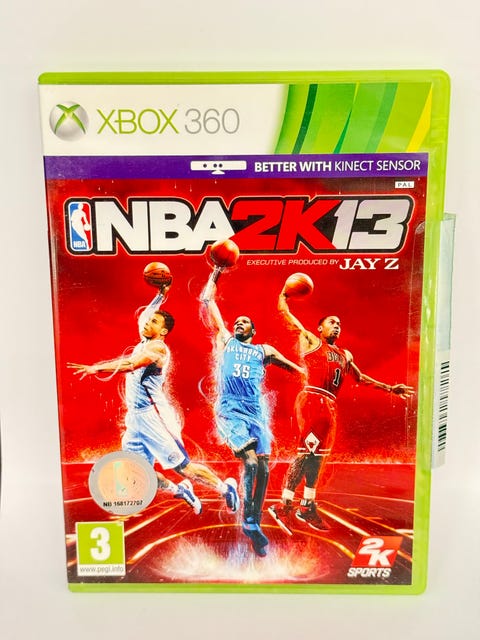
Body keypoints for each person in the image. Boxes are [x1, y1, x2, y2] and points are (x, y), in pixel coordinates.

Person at [68, 288, 240, 517]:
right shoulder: (144, 340)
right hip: (135, 419)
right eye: (148, 321)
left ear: (163, 331)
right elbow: (145, 316)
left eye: (154, 322)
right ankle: (181, 491)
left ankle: (225, 489)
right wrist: (160, 294)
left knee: (184, 468)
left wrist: (96, 368)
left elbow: (130, 364)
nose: (147, 323)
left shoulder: (158, 348)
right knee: (138, 473)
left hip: (154, 417)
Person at [268, 287, 415, 534]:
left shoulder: (345, 354)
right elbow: (288, 318)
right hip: (313, 400)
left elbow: (361, 378)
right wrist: (282, 297)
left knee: (317, 458)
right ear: (320, 328)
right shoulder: (311, 341)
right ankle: (284, 505)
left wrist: (390, 388)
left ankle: (307, 506)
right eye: (332, 323)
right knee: (305, 454)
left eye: (339, 324)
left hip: (329, 406)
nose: (337, 326)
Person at [201, 276, 304, 557]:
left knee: (265, 469)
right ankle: (248, 519)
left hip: (256, 412)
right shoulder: (226, 341)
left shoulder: (264, 350)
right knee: (250, 462)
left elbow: (294, 369)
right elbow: (209, 301)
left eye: (244, 322)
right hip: (231, 409)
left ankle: (254, 522)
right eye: (236, 321)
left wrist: (311, 376)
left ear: (253, 330)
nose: (238, 323)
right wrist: (216, 272)